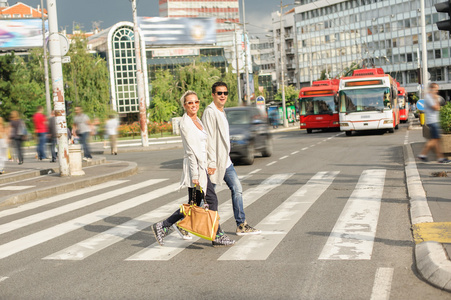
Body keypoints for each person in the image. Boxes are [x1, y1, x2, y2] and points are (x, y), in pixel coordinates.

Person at [152, 90, 235, 247]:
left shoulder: (198, 120)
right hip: (195, 168)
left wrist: (211, 163)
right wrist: (196, 175)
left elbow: (206, 144)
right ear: (185, 105)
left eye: (196, 102)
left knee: (193, 204)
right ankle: (217, 235)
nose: (194, 105)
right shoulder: (186, 123)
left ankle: (163, 225)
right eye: (190, 103)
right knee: (212, 199)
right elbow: (191, 152)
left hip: (202, 166)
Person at [202, 82, 261, 236]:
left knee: (237, 189)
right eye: (219, 93)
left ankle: (241, 224)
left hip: (225, 161)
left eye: (225, 93)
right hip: (215, 161)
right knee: (207, 197)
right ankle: (184, 221)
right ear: (213, 94)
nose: (223, 96)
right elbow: (208, 139)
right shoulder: (210, 112)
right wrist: (211, 162)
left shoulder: (221, 111)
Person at [418, 82, 450, 164]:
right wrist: (436, 98)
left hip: (433, 121)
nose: (437, 91)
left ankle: (440, 158)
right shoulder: (429, 97)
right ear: (432, 88)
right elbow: (436, 108)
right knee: (434, 140)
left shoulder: (429, 96)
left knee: (436, 140)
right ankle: (422, 154)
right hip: (432, 121)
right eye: (436, 89)